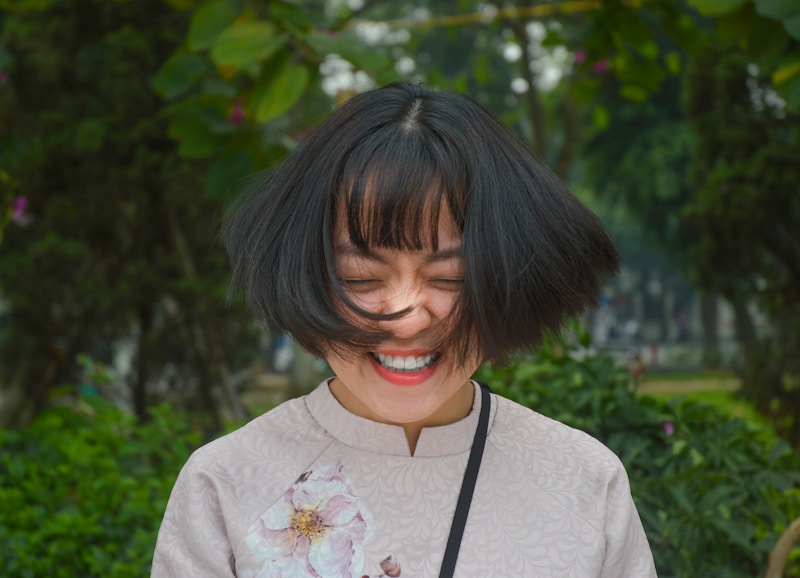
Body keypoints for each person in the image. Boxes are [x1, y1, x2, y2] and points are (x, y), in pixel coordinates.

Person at [152, 82, 657, 577]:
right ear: (305, 275)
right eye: (361, 278)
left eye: (450, 278)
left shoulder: (586, 483)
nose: (408, 315)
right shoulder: (222, 485)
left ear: (507, 280)